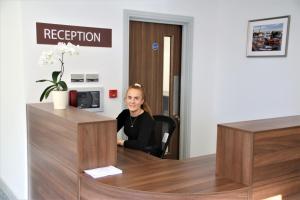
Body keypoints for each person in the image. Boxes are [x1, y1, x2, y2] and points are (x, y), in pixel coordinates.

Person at [116, 83, 155, 152]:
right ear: (125, 100)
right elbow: (110, 130)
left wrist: (120, 142)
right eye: (129, 97)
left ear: (142, 101)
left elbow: (141, 144)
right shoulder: (125, 114)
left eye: (136, 98)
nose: (132, 101)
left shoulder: (146, 119)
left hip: (147, 155)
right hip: (132, 151)